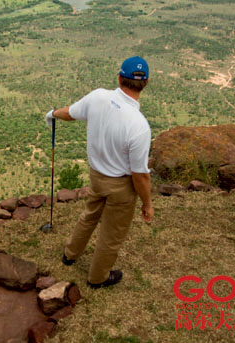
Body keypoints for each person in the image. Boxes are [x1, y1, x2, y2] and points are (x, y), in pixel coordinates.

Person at [44, 56, 154, 289]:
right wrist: (147, 203)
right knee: (111, 235)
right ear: (145, 83)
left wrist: (53, 113)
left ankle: (70, 254)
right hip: (121, 186)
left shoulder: (98, 97)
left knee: (90, 215)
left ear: (119, 77)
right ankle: (97, 278)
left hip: (97, 176)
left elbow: (70, 113)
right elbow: (140, 175)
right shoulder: (139, 125)